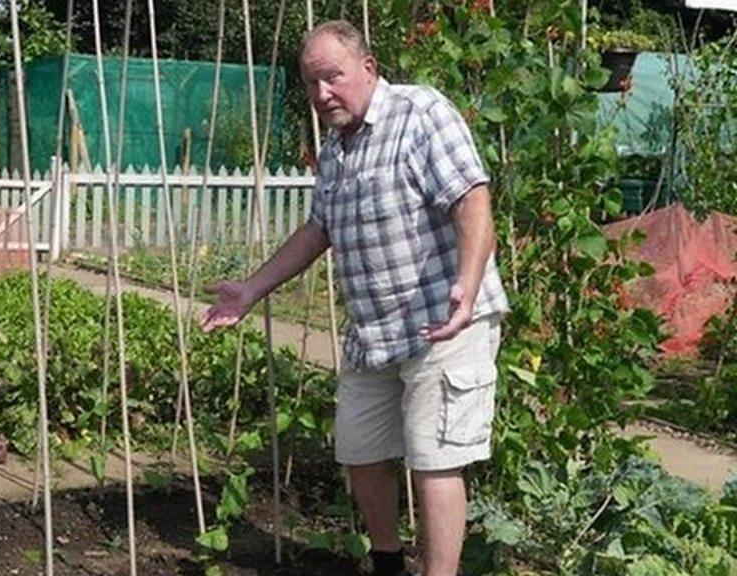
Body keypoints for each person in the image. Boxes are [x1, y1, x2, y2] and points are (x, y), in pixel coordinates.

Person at [200, 20, 509, 576]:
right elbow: (318, 230)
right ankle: (388, 564)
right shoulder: (338, 148)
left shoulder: (420, 115)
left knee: (435, 461)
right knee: (360, 451)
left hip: (444, 321)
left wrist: (467, 279)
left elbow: (472, 199)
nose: (322, 94)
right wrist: (250, 289)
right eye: (312, 84)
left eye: (333, 78)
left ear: (369, 68)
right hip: (374, 330)